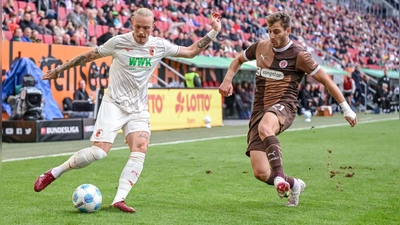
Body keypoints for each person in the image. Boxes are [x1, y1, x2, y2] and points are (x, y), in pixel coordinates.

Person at [33, 8, 222, 213]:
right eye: (138, 27)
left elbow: (191, 51)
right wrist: (60, 69)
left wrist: (213, 32)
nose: (141, 32)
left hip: (138, 108)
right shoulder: (118, 42)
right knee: (98, 153)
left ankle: (119, 199)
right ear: (132, 24)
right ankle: (54, 173)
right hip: (113, 103)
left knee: (140, 147)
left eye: (146, 28)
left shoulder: (159, 45)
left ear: (153, 27)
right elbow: (89, 56)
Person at [218, 11, 357, 207]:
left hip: (285, 106)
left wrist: (346, 108)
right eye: (269, 31)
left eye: (276, 32)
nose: (272, 36)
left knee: (266, 128)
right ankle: (294, 183)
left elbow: (326, 80)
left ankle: (279, 179)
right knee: (261, 172)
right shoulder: (260, 47)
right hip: (259, 110)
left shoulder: (300, 55)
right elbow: (237, 60)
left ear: (288, 31)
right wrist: (227, 79)